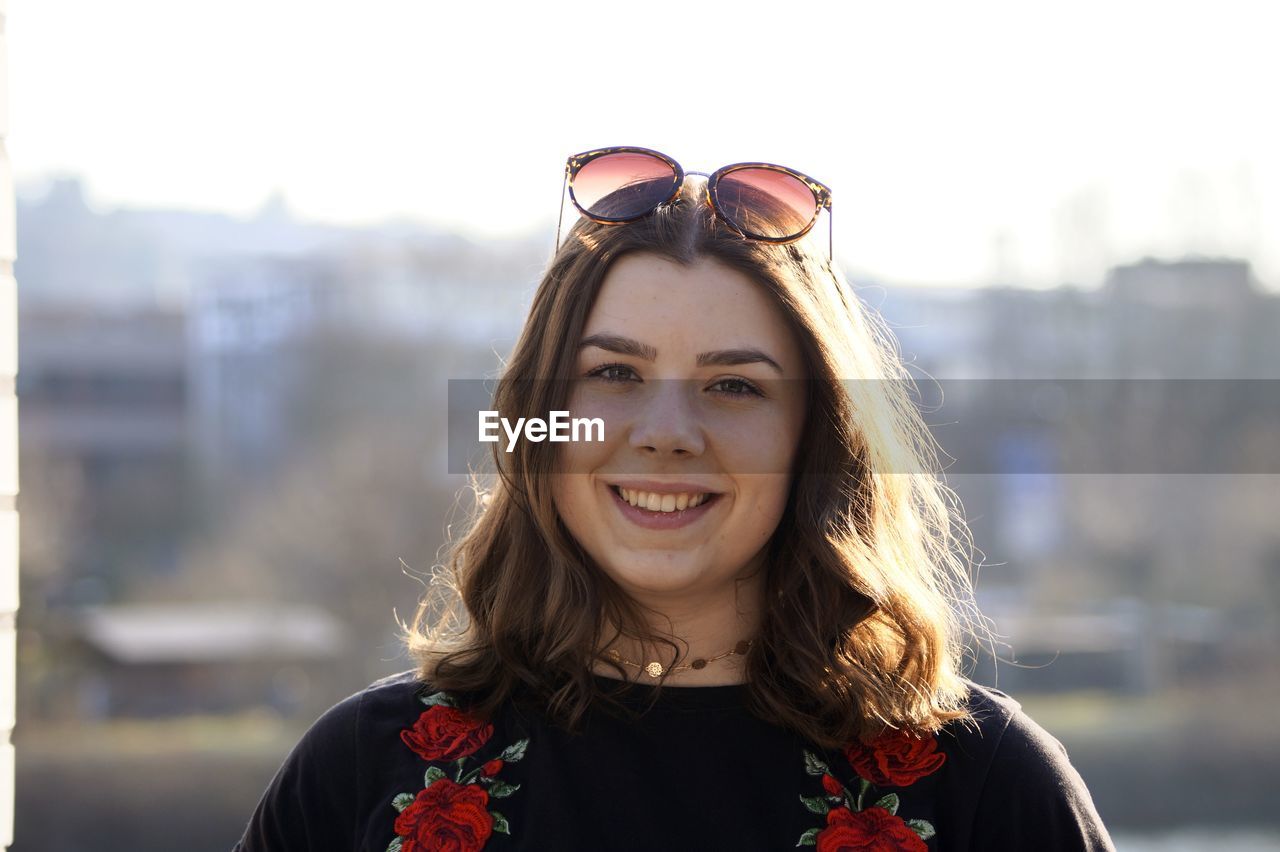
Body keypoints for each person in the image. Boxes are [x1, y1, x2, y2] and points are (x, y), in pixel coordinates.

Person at [234, 147, 1115, 851]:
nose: (666, 432)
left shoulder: (983, 787)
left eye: (734, 387)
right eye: (614, 374)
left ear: (818, 440)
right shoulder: (363, 770)